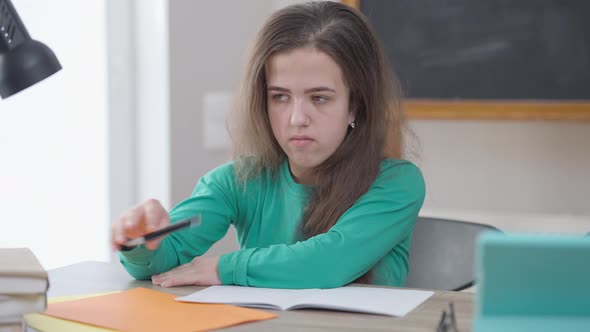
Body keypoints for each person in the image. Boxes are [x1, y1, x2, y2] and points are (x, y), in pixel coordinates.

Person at [111, 1, 425, 289]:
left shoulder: (397, 183)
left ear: (355, 105)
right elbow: (162, 259)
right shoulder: (235, 181)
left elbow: (330, 261)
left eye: (319, 98)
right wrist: (139, 241)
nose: (296, 118)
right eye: (280, 97)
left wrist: (224, 269)